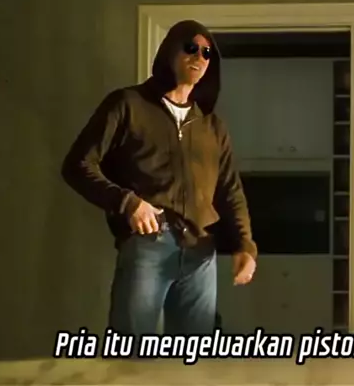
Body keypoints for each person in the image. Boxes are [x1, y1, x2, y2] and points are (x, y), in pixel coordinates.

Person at [61, 20, 257, 336]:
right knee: (130, 352)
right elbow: (77, 165)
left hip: (200, 251)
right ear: (170, 51)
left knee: (193, 356)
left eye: (207, 53)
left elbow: (230, 190)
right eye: (191, 48)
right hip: (148, 245)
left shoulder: (212, 126)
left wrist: (244, 245)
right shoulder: (128, 105)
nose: (199, 57)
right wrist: (127, 203)